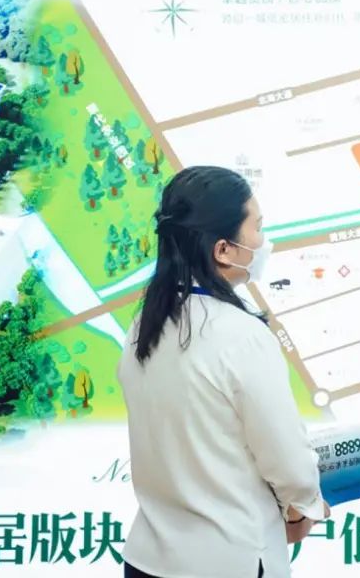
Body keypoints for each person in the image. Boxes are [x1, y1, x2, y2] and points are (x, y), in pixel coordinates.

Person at [118, 166, 329, 578]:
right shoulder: (242, 335)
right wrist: (304, 507)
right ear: (223, 249)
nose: (263, 242)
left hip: (148, 560)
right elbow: (287, 459)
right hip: (229, 561)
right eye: (258, 228)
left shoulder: (144, 325)